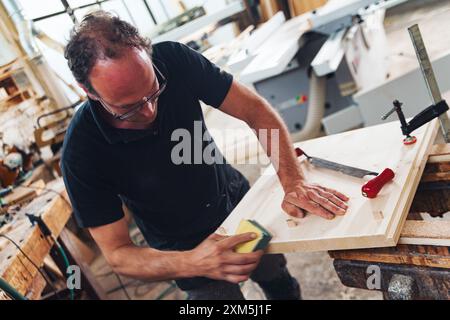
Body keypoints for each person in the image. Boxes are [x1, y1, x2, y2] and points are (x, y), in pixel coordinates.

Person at [61, 11, 349, 300]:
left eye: (153, 91)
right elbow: (118, 254)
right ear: (88, 90)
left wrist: (293, 180)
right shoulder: (81, 152)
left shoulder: (173, 60)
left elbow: (256, 112)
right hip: (180, 250)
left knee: (280, 283)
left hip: (237, 207)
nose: (149, 111)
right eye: (128, 107)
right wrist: (194, 261)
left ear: (147, 54)